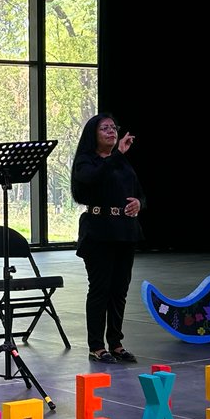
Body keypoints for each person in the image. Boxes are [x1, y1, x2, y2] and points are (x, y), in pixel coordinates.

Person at [71, 113, 144, 364]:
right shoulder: (85, 161)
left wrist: (139, 203)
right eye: (105, 129)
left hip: (124, 232)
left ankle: (116, 343)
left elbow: (139, 193)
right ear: (94, 134)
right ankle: (96, 346)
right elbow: (94, 178)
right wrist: (117, 155)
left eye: (114, 127)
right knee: (100, 289)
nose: (112, 132)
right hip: (98, 233)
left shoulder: (121, 162)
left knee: (119, 290)